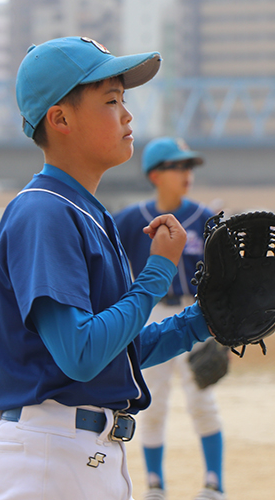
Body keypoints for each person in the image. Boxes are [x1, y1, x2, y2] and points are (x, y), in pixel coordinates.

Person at [0, 37, 213, 500]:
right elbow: (81, 352)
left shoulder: (83, 211)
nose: (127, 115)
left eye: (123, 100)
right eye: (110, 100)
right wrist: (157, 273)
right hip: (49, 457)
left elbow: (114, 351)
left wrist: (202, 319)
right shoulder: (45, 211)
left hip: (77, 453)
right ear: (60, 118)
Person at [115, 138, 228, 500]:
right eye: (178, 166)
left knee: (201, 399)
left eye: (189, 166)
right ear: (155, 175)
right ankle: (154, 485)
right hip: (149, 314)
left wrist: (222, 333)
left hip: (195, 314)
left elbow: (223, 277)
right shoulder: (130, 221)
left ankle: (214, 483)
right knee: (151, 400)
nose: (187, 173)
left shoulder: (205, 218)